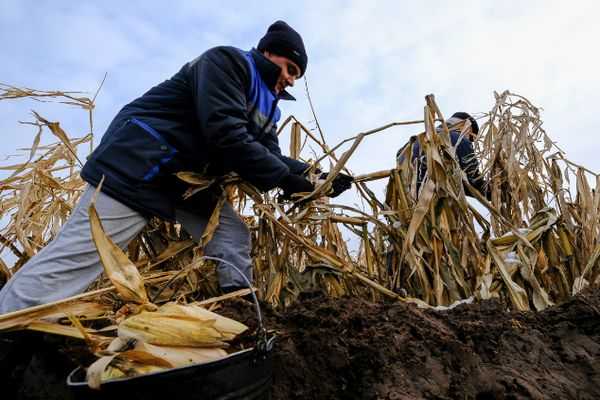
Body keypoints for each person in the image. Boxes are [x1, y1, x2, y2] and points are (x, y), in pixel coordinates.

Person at [0, 21, 352, 314]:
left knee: (230, 235)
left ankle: (240, 312)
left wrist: (315, 178)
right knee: (74, 260)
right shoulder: (227, 63)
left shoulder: (270, 108)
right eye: (290, 68)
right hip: (138, 168)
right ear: (268, 53)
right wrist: (284, 179)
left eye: (297, 76)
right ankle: (10, 325)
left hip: (183, 183)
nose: (291, 79)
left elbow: (270, 157)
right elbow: (226, 134)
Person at [396, 112, 488, 198]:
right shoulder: (457, 138)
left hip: (405, 201)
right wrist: (495, 191)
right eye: (471, 136)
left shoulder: (412, 143)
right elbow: (473, 179)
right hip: (433, 199)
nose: (469, 139)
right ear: (464, 125)